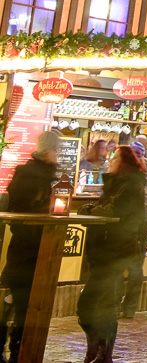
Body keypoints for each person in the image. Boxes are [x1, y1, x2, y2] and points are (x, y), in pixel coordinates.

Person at [77, 145, 147, 363]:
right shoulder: (115, 185)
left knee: (89, 304)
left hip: (116, 251)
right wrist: (90, 209)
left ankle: (101, 351)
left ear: (123, 162)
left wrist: (89, 210)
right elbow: (101, 208)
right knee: (104, 304)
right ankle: (99, 352)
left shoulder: (132, 186)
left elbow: (112, 211)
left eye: (114, 156)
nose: (109, 159)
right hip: (104, 250)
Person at [0, 130, 61, 360]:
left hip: (27, 244)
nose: (58, 154)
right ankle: (17, 350)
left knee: (15, 298)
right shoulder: (36, 174)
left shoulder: (36, 172)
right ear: (48, 151)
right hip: (30, 245)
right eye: (56, 149)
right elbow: (25, 207)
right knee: (21, 300)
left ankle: (16, 349)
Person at [118, 137, 147, 319]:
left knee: (119, 266)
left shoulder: (128, 176)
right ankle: (130, 308)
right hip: (143, 228)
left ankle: (115, 305)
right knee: (136, 268)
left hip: (125, 226)